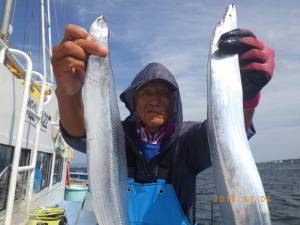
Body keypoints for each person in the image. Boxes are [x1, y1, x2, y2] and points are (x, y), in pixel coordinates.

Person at [51, 24, 274, 224]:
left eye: (163, 93)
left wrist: (245, 96)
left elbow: (228, 139)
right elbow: (79, 133)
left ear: (173, 102)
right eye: (146, 92)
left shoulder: (188, 140)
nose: (155, 100)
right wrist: (68, 94)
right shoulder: (116, 137)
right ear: (133, 101)